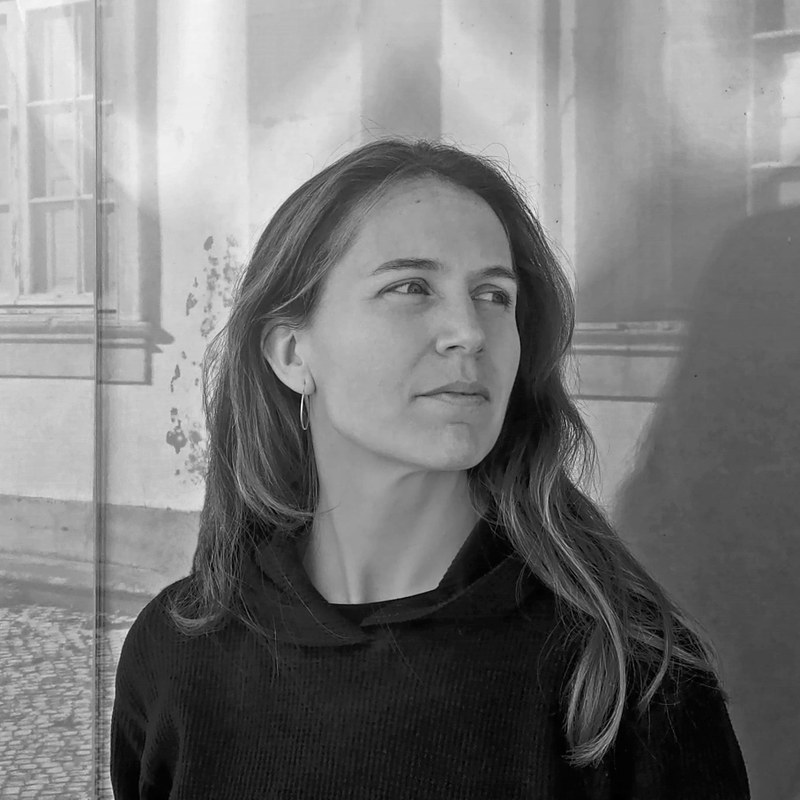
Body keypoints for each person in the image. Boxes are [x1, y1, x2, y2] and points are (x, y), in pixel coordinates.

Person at [110, 138, 750, 799]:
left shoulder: (625, 672)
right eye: (410, 287)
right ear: (292, 353)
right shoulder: (177, 652)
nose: (469, 330)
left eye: (494, 295)